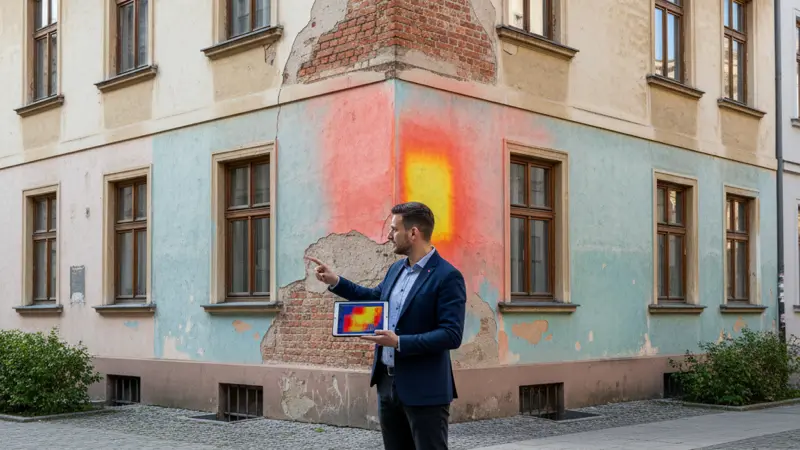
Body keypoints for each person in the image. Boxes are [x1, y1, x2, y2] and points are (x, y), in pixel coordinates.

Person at [306, 202, 466, 450]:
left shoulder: (447, 276)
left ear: (413, 233)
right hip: (387, 386)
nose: (389, 236)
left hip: (425, 389)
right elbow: (375, 300)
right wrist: (335, 281)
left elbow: (451, 335)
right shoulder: (395, 269)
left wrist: (399, 342)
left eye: (394, 229)